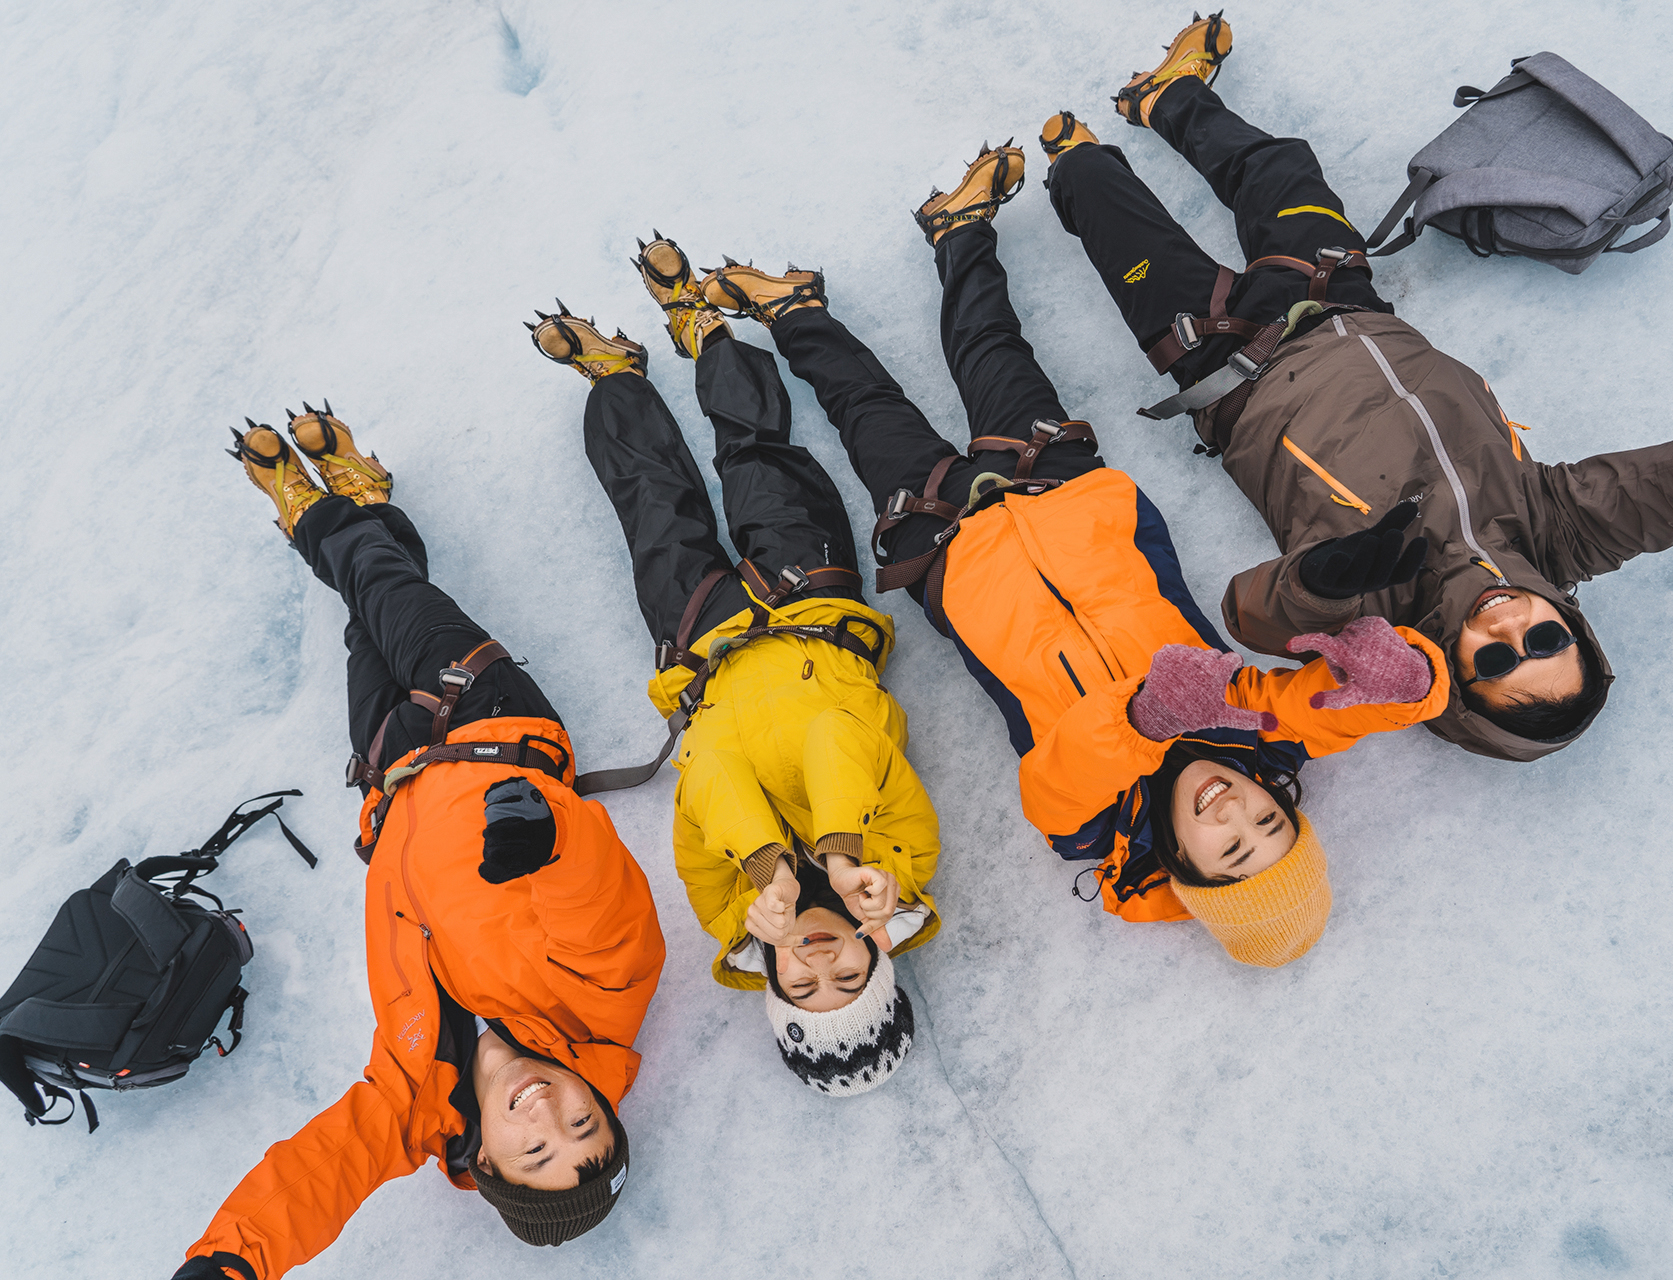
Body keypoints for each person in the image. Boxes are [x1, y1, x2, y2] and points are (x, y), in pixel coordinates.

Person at [1039, 11, 1673, 762]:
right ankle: (1166, 97)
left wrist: (1322, 582)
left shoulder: (1376, 609)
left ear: (1459, 676)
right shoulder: (1557, 531)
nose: (1511, 631)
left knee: (1104, 201)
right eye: (1546, 641)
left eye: (1496, 664)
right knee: (1278, 169)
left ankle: (1074, 157)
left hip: (1225, 360)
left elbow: (1251, 614)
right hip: (1344, 297)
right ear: (1570, 622)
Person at [674, 143, 1452, 969]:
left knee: (868, 414)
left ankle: (796, 313)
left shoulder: (1088, 826)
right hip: (1071, 501)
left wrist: (1147, 716)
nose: (1236, 814)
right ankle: (959, 232)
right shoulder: (1258, 730)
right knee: (992, 352)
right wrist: (1414, 683)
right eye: (1269, 823)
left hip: (949, 555)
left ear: (1184, 868)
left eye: (1228, 851)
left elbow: (1066, 763)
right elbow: (1322, 710)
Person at [176, 409, 666, 1279]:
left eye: (536, 1152)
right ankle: (316, 515)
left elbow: (324, 1172)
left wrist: (231, 1262)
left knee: (365, 622)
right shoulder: (602, 1009)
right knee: (371, 578)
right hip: (489, 721)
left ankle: (365, 507)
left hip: (391, 775)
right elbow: (605, 916)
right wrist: (546, 842)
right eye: (584, 1124)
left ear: (487, 1163)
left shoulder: (412, 1099)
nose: (550, 1116)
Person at [524, 238, 939, 1097]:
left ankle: (614, 378)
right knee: (758, 457)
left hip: (703, 653)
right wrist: (841, 850)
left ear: (774, 985)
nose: (819, 968)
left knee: (654, 508)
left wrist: (763, 867)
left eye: (802, 990)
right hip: (812, 615)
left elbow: (705, 770)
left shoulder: (726, 909)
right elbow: (837, 734)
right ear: (878, 955)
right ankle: (706, 329)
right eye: (849, 983)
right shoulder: (903, 862)